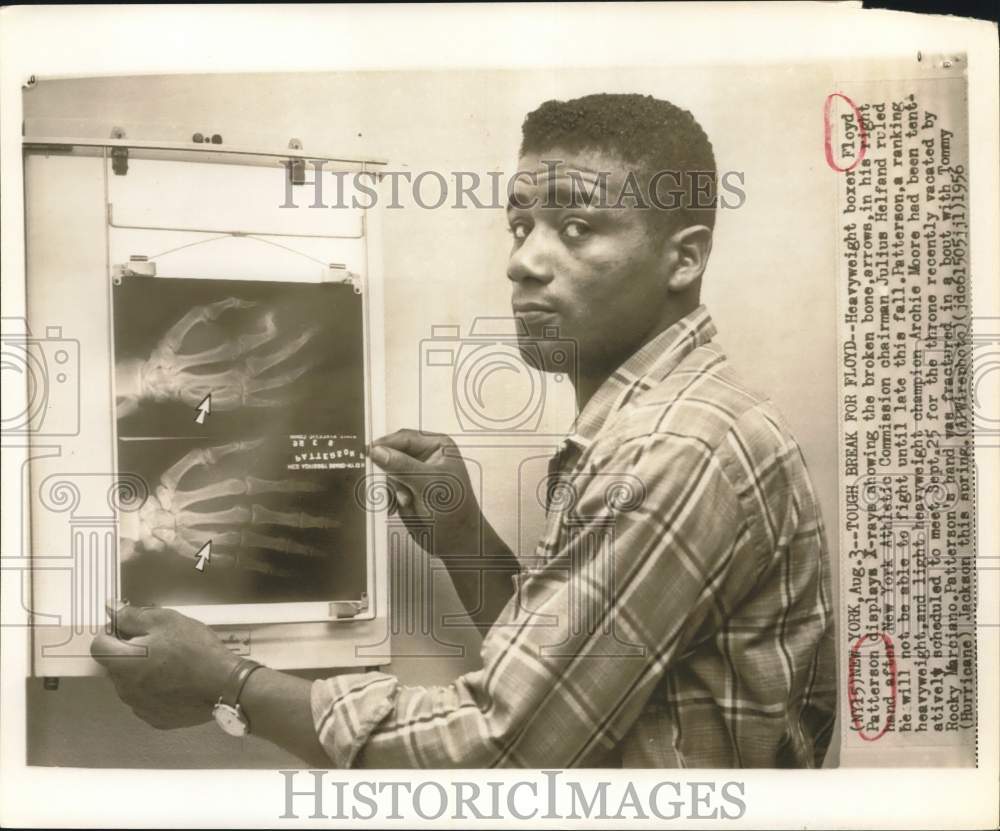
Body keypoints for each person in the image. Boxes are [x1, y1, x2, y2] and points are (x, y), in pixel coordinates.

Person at [93, 93, 836, 768]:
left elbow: (500, 744)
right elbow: (573, 684)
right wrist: (465, 541)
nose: (523, 261)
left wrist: (229, 683)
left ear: (684, 258)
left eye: (576, 227)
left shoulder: (677, 446)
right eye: (520, 225)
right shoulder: (668, 418)